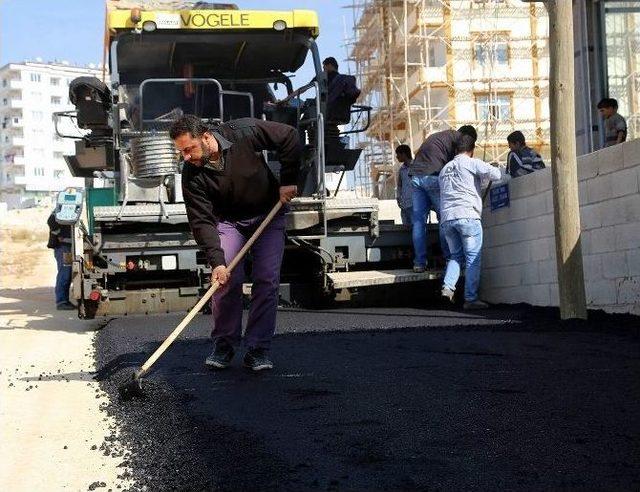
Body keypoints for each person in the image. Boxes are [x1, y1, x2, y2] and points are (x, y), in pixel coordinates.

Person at [170, 115, 300, 372]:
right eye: (181, 152)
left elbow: (289, 136)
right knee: (226, 279)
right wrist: (217, 263)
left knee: (267, 279)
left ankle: (258, 349)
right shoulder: (192, 174)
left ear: (206, 137)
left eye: (189, 149)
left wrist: (288, 180)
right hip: (228, 222)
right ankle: (224, 344)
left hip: (268, 214)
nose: (186, 157)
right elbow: (201, 221)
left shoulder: (243, 132)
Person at [439, 134, 501, 310]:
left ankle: (448, 287)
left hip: (447, 219)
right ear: (471, 150)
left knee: (456, 256)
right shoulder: (470, 162)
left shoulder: (445, 169)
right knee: (473, 258)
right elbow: (495, 174)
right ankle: (471, 299)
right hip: (467, 217)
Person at [409, 125, 477, 273]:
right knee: (445, 219)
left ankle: (419, 263)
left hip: (416, 177)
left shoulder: (441, 135)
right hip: (433, 176)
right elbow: (459, 165)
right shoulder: (458, 139)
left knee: (419, 223)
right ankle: (449, 259)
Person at [47, 211, 75, 310]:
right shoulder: (61, 208)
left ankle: (64, 301)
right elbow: (50, 220)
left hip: (67, 246)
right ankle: (61, 302)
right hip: (62, 247)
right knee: (65, 273)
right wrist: (58, 233)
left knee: (67, 273)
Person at [395, 144, 413, 226]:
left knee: (416, 227)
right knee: (406, 228)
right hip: (405, 205)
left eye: (398, 154)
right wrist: (398, 197)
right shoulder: (401, 169)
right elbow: (400, 185)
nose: (397, 157)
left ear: (404, 154)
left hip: (415, 204)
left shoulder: (416, 166)